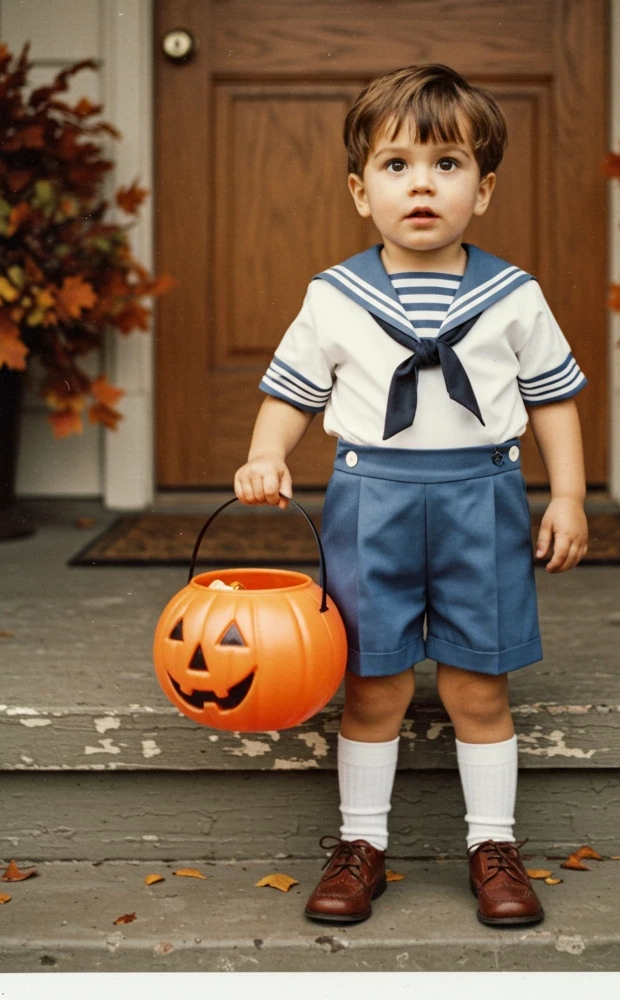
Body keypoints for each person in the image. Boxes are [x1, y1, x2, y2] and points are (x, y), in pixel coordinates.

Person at [234, 63, 588, 927]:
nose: (421, 183)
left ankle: (492, 846)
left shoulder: (514, 296)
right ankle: (362, 847)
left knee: (478, 686)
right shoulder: (335, 296)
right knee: (373, 685)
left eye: (447, 165)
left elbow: (553, 400)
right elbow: (291, 393)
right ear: (361, 192)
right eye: (396, 166)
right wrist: (264, 452)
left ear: (485, 187)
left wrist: (569, 496)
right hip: (374, 505)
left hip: (482, 500)